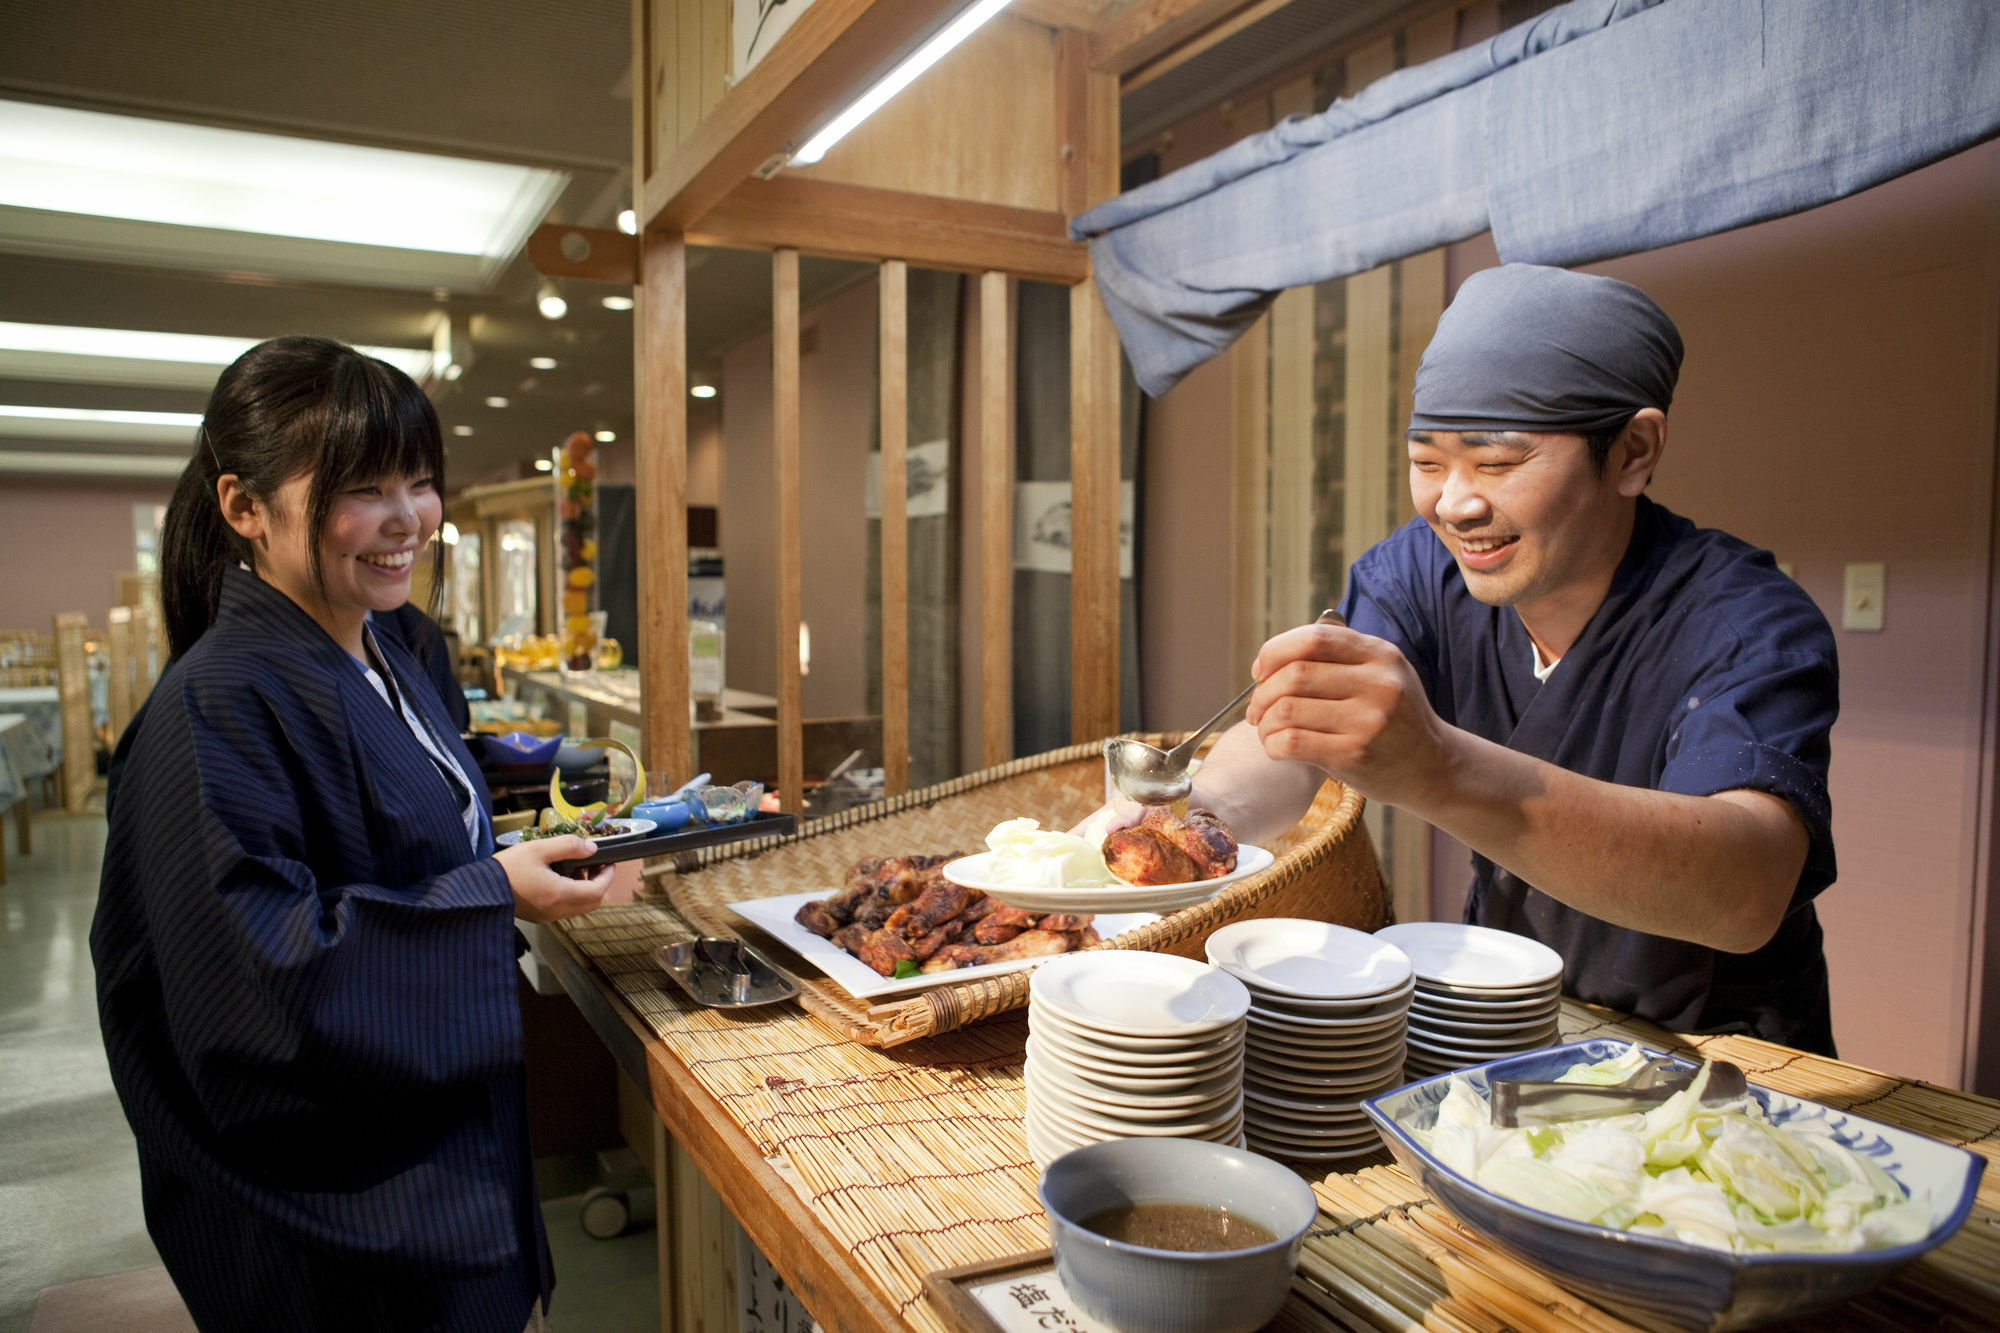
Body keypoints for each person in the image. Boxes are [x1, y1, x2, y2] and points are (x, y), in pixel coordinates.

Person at [1154, 264, 1840, 1055]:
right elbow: (1295, 737)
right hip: (1511, 1017)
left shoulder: (1745, 619)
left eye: (1497, 462)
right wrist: (1193, 822)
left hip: (1721, 1055)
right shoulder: (1423, 572)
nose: (1454, 503)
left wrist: (1439, 767)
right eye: (1428, 461)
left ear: (1633, 451)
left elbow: (1746, 891)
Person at [91, 336, 612, 1332]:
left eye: (419, 481)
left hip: (445, 1151)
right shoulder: (216, 705)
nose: (406, 517)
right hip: (341, 1219)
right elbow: (265, 982)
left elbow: (414, 802)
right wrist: (497, 892)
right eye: (363, 487)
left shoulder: (384, 650)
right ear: (243, 506)